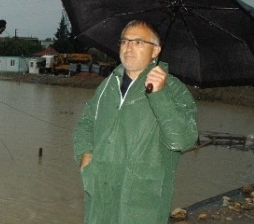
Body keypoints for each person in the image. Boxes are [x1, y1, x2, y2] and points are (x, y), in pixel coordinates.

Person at [73, 20, 199, 224]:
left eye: (138, 42)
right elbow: (86, 123)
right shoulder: (108, 85)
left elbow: (182, 140)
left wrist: (159, 95)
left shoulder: (174, 89)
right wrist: (85, 156)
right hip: (101, 192)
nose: (129, 47)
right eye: (124, 41)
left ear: (156, 51)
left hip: (142, 201)